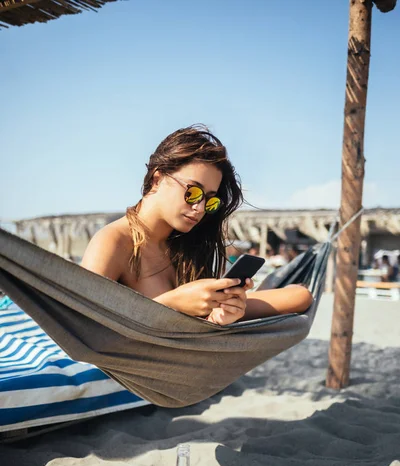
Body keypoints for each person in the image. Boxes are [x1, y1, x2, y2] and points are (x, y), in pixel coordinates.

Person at [81, 125, 312, 326]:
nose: (200, 208)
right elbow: (84, 326)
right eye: (193, 192)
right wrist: (173, 303)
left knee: (300, 296)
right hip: (139, 367)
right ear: (157, 178)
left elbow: (300, 297)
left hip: (186, 364)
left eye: (210, 200)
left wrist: (219, 316)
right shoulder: (113, 242)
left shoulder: (185, 246)